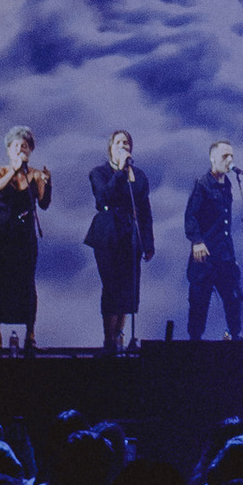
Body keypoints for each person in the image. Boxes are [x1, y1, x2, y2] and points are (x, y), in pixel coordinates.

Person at [85, 131, 154, 352]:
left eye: (127, 143)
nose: (123, 145)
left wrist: (148, 242)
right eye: (118, 142)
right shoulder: (99, 172)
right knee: (112, 286)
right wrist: (121, 171)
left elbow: (145, 210)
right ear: (111, 148)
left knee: (128, 288)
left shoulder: (140, 176)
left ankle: (120, 336)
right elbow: (104, 197)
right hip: (107, 233)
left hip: (130, 234)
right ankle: (109, 340)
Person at [0, 127, 51, 350]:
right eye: (16, 146)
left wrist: (46, 182)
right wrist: (14, 171)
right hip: (1, 234)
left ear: (30, 150)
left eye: (25, 146)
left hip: (25, 235)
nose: (21, 149)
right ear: (8, 150)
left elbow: (43, 203)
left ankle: (30, 335)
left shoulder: (34, 174)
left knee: (27, 283)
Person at [184, 142, 243, 342]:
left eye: (231, 156)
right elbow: (191, 215)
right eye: (224, 156)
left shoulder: (228, 185)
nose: (229, 160)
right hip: (205, 255)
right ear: (213, 158)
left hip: (225, 254)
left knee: (233, 297)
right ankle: (194, 342)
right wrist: (197, 241)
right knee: (199, 301)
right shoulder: (202, 184)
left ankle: (236, 337)